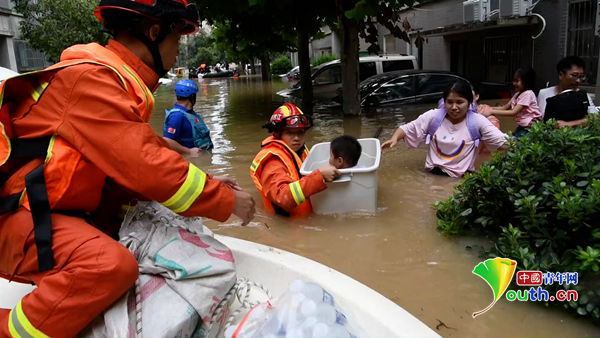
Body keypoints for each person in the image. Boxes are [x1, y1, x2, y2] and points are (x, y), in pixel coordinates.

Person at [0, 1, 255, 336]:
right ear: (153, 33)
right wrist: (226, 201)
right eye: (176, 40)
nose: (178, 52)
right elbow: (147, 165)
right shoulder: (90, 79)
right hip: (19, 218)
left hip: (45, 213)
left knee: (140, 220)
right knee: (110, 267)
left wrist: (208, 181)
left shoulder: (110, 83)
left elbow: (140, 156)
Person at [382, 81, 507, 177]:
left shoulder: (477, 121)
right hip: (432, 176)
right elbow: (407, 128)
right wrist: (394, 139)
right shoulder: (434, 116)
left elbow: (503, 142)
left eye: (459, 102)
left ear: (469, 102)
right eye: (450, 102)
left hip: (462, 179)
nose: (454, 107)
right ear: (444, 102)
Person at [250, 103, 340, 217]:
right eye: (290, 132)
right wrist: (320, 177)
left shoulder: (301, 151)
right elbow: (282, 197)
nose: (297, 137)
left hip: (305, 220)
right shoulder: (273, 161)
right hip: (286, 228)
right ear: (278, 134)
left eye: (300, 132)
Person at [537, 56, 598, 127]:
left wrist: (568, 124)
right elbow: (541, 120)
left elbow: (594, 118)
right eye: (574, 75)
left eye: (581, 76)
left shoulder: (583, 95)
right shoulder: (544, 93)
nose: (578, 81)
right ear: (561, 75)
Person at [480, 67, 542, 137]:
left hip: (532, 129)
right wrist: (488, 107)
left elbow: (513, 112)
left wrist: (491, 112)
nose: (514, 83)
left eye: (517, 81)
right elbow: (505, 107)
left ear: (526, 82)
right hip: (523, 126)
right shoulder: (517, 94)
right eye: (513, 80)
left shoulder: (528, 94)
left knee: (517, 144)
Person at [163, 79, 213, 155]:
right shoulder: (177, 116)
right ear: (192, 96)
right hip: (190, 161)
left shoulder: (190, 113)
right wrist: (188, 151)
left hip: (200, 160)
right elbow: (167, 141)